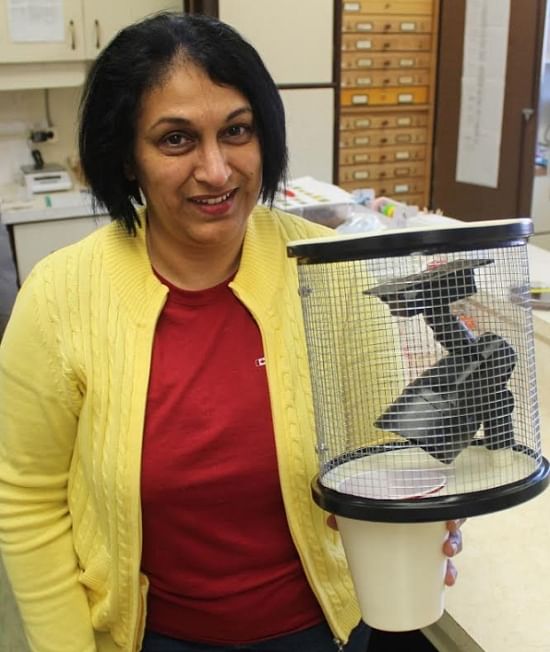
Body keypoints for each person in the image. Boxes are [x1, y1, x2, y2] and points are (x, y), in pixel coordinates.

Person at [0, 12, 464, 652]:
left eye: (237, 132)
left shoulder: (328, 274)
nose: (216, 171)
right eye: (175, 140)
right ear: (127, 158)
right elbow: (26, 502)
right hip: (147, 637)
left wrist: (421, 513)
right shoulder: (59, 297)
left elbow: (385, 455)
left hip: (325, 627)